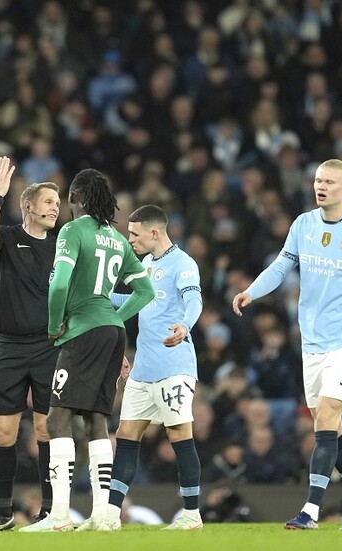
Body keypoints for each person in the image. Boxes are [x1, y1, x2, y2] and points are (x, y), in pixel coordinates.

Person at [232, 158, 342, 530]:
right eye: (317, 180)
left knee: (326, 416)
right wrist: (251, 291)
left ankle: (310, 511)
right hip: (313, 341)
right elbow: (281, 266)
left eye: (329, 181)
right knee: (331, 427)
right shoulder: (303, 225)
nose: (320, 186)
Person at [21, 168, 155, 532]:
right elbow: (146, 292)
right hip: (112, 333)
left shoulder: (72, 231)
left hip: (83, 332)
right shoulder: (117, 237)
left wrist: (53, 327)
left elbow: (60, 283)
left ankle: (59, 516)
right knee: (97, 420)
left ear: (76, 199)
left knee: (57, 417)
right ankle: (102, 515)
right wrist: (113, 316)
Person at [0, 156, 60, 531]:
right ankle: (4, 512)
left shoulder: (61, 246)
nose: (55, 209)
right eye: (48, 203)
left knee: (45, 431)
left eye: (58, 204)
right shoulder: (7, 237)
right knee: (2, 433)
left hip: (48, 347)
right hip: (8, 347)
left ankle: (50, 511)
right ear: (28, 206)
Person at [104, 204, 204, 531]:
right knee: (125, 435)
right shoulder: (146, 264)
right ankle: (110, 515)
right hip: (143, 369)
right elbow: (133, 302)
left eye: (134, 233)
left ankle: (191, 514)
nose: (129, 238)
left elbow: (194, 299)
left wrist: (186, 325)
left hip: (174, 365)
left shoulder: (183, 263)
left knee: (179, 434)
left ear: (154, 232)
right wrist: (99, 296)